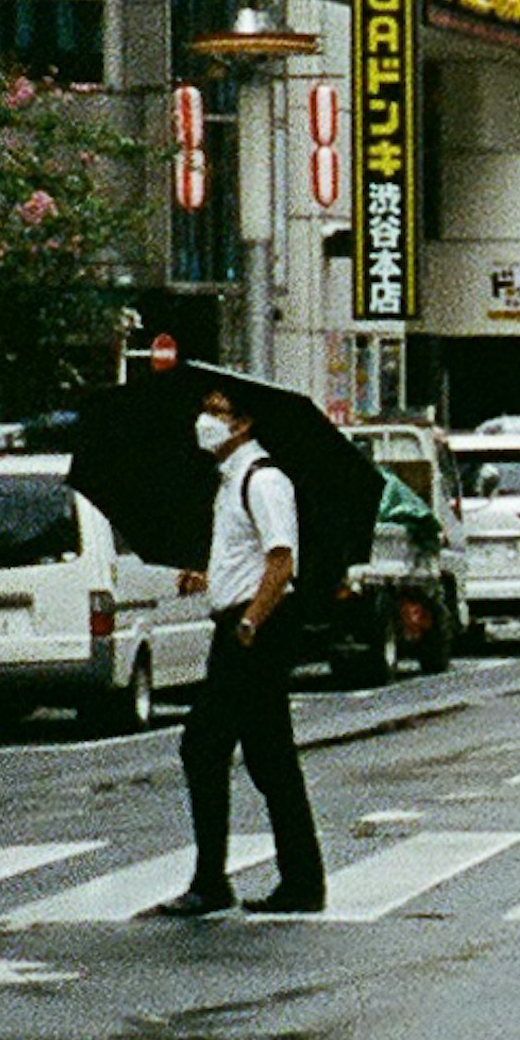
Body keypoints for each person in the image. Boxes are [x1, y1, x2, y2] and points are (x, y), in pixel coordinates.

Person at [152, 386, 326, 918]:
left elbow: (281, 561)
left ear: (244, 424)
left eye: (217, 412)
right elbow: (249, 557)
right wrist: (208, 578)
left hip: (256, 629)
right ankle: (300, 882)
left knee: (203, 746)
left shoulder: (263, 480)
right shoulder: (228, 482)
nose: (205, 420)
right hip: (241, 622)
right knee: (269, 757)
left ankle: (212, 882)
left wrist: (250, 621)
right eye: (203, 409)